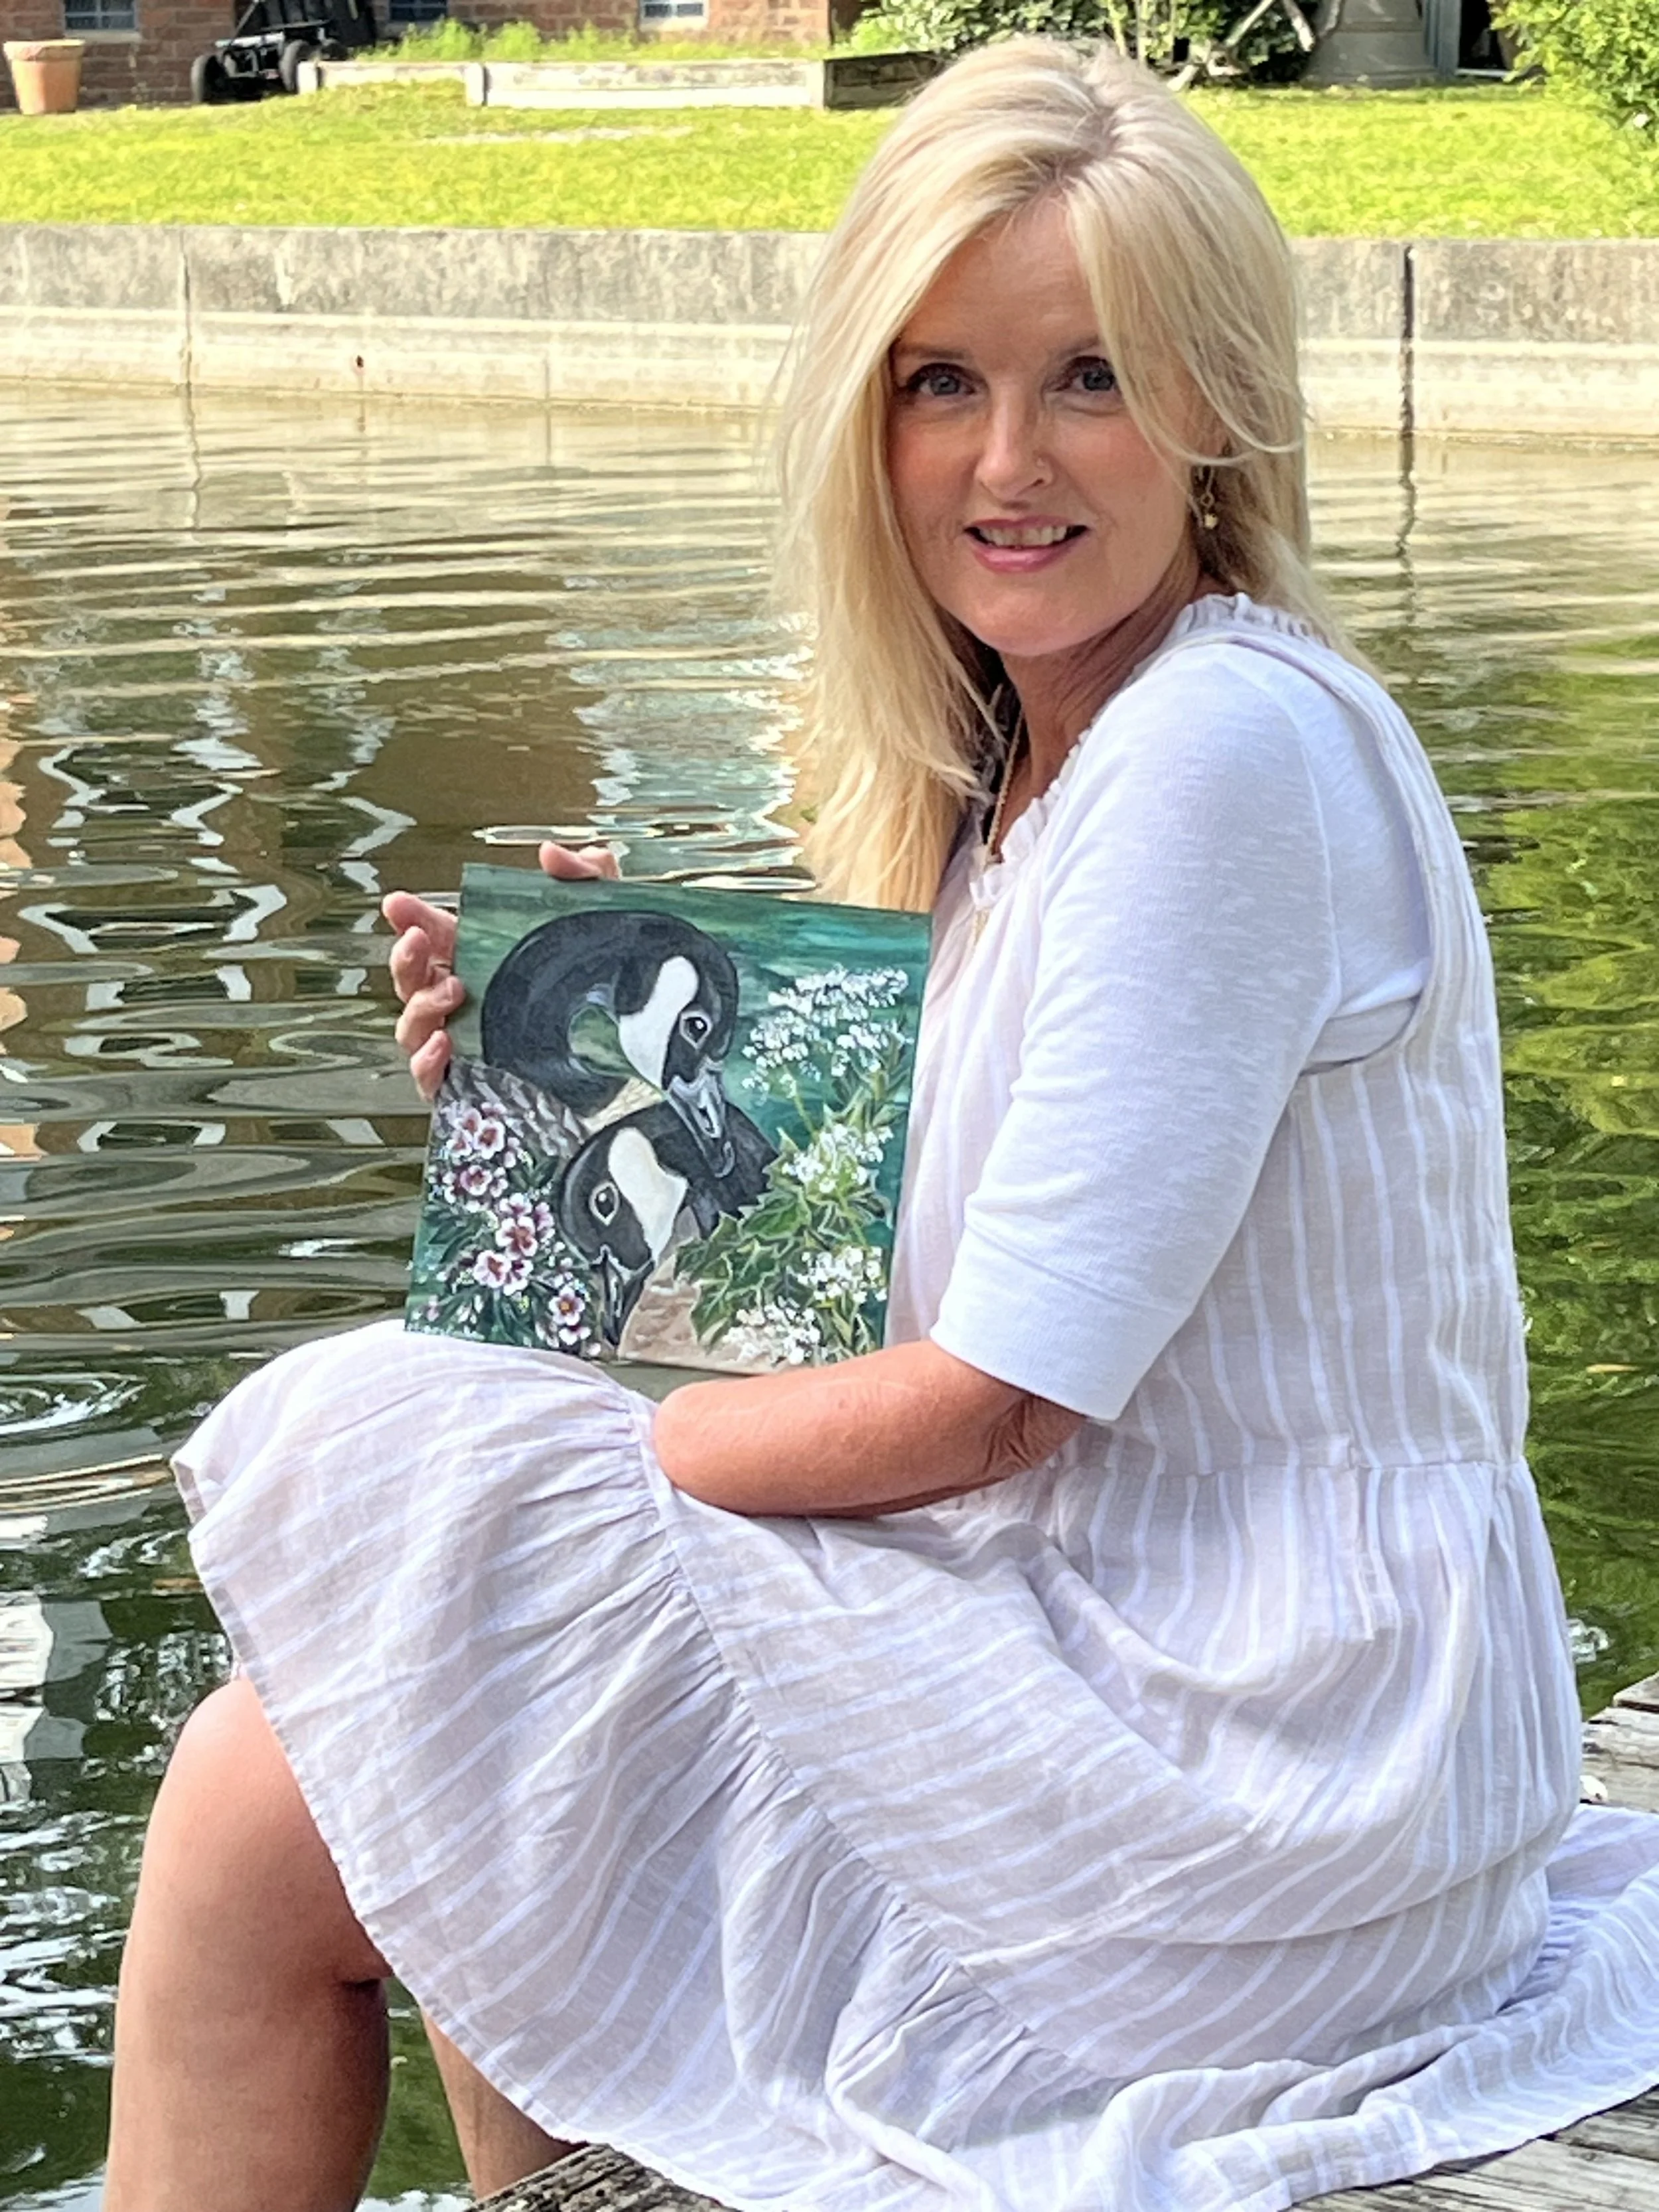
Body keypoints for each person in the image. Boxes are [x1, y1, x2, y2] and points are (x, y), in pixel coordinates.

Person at [105, 37, 1659, 2212]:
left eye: (1089, 378)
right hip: (1182, 1683)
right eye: (942, 383)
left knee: (383, 1638)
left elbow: (999, 1396)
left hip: (1271, 1784)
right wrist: (573, 1091)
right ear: (868, 413)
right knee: (423, 1708)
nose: (1007, 460)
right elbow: (839, 1292)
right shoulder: (1021, 770)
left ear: (1216, 406)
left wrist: (593, 1471)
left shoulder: (1213, 753)